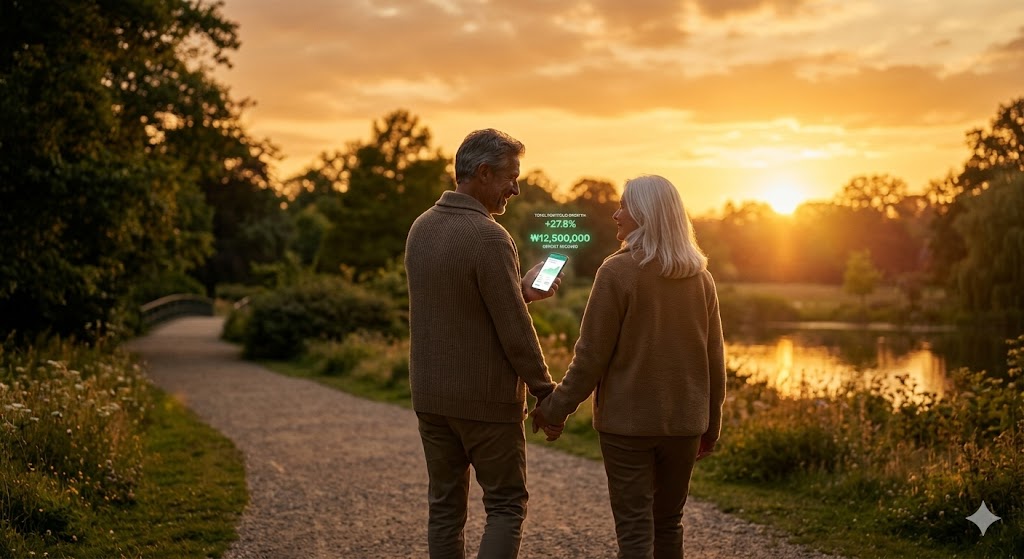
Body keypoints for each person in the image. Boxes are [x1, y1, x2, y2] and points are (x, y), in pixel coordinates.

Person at [532, 174, 726, 559]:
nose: (615, 213)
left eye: (623, 206)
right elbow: (714, 360)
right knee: (668, 524)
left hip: (628, 425)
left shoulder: (616, 273)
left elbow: (590, 358)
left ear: (644, 214)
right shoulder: (701, 279)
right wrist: (710, 426)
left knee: (636, 531)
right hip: (684, 425)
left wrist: (554, 409)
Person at [404, 128, 562, 559]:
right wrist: (546, 393)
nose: (517, 187)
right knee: (507, 504)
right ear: (483, 172)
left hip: (432, 398)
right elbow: (515, 331)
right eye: (511, 176)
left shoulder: (421, 227)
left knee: (444, 508)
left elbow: (460, 303)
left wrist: (521, 290)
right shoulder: (490, 237)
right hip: (486, 402)